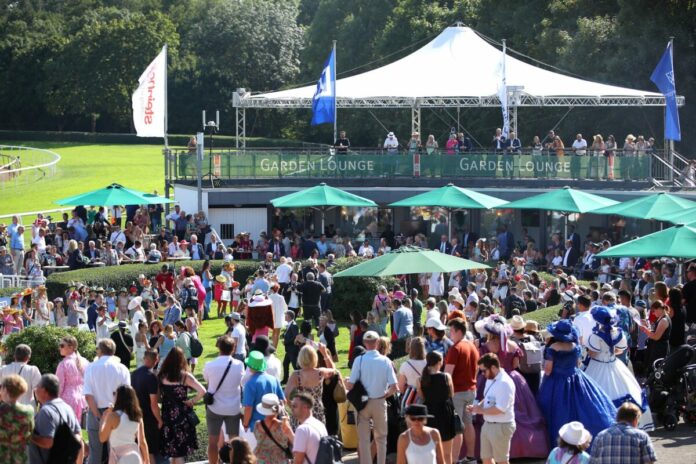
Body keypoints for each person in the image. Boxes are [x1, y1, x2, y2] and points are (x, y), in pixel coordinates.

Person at [473, 315, 549, 458]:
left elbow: (480, 365)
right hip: (513, 379)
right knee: (520, 412)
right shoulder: (513, 345)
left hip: (490, 378)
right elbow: (515, 365)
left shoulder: (486, 346)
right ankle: (523, 447)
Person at [537, 320, 616, 447]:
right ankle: (578, 435)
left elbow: (548, 370)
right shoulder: (575, 346)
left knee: (555, 410)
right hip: (575, 378)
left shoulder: (553, 348)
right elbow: (577, 364)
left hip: (556, 381)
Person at [584, 306, 654, 431]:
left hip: (598, 365)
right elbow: (620, 350)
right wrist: (610, 352)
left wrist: (593, 351)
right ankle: (628, 420)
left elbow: (593, 354)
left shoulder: (595, 336)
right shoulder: (618, 332)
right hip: (614, 364)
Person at [346, 330, 398, 464]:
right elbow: (394, 386)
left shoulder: (359, 360)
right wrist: (385, 394)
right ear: (378, 342)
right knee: (381, 439)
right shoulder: (386, 361)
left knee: (363, 439)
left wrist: (346, 383)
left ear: (364, 343)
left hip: (362, 403)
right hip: (379, 401)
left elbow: (351, 385)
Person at [84, 338, 132, 464]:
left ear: (100, 351)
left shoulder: (91, 368)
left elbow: (88, 395)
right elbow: (127, 395)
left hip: (96, 409)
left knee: (95, 453)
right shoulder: (122, 368)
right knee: (115, 452)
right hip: (117, 411)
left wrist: (98, 416)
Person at [159, 347, 206, 463]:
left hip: (166, 416)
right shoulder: (185, 376)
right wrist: (192, 401)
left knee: (172, 451)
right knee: (180, 452)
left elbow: (159, 396)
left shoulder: (162, 376)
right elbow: (202, 391)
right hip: (182, 417)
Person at [468, 353, 516, 464]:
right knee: (486, 458)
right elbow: (488, 398)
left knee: (502, 461)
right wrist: (478, 406)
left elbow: (500, 409)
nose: (482, 374)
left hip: (501, 426)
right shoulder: (491, 378)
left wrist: (479, 410)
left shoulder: (504, 383)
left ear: (493, 368)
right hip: (488, 424)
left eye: (484, 371)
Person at [204, 336, 245, 464]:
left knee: (213, 441)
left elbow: (208, 381)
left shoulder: (209, 365)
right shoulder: (239, 365)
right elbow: (242, 383)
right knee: (234, 441)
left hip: (215, 408)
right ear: (233, 349)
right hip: (233, 408)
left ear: (219, 348)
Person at [28, 374, 84, 464]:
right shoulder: (67, 408)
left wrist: (28, 435)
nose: (35, 390)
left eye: (37, 386)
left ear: (44, 390)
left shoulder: (46, 411)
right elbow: (78, 439)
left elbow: (48, 442)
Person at [443, 318, 478, 463]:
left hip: (457, 392)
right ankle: (470, 457)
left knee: (456, 426)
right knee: (468, 424)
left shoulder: (455, 349)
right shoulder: (472, 346)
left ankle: (454, 460)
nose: (449, 334)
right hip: (471, 390)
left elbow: (447, 375)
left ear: (458, 331)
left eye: (451, 331)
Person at [284, 344, 337, 429]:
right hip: (318, 413)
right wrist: (325, 354)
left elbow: (286, 396)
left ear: (300, 358)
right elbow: (333, 371)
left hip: (301, 412)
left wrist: (293, 408)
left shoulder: (296, 375)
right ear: (314, 358)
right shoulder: (320, 372)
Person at [418, 351, 456, 464]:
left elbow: (422, 397)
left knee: (431, 452)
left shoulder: (421, 379)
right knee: (447, 453)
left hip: (430, 414)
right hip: (445, 414)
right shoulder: (446, 377)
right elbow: (451, 394)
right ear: (440, 362)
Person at [590, 402, 656, 464]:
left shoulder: (600, 436)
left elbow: (592, 461)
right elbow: (649, 461)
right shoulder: (642, 436)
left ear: (618, 418)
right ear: (636, 419)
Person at [98, 385, 149, 463]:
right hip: (135, 456)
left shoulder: (113, 416)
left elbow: (102, 438)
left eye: (115, 394)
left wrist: (103, 418)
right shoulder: (137, 417)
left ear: (119, 398)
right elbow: (142, 442)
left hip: (118, 457)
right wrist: (147, 460)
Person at [131, 349, 165, 464]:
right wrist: (159, 420)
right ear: (156, 360)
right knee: (149, 452)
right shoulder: (151, 377)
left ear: (144, 358)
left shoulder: (134, 374)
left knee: (139, 451)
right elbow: (154, 404)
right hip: (148, 418)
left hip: (135, 416)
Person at [242, 351, 286, 432]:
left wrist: (245, 425)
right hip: (273, 425)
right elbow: (283, 400)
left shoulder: (250, 384)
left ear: (250, 367)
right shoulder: (274, 379)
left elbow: (248, 408)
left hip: (256, 427)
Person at [0, 375, 34, 464]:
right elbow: (30, 434)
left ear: (5, 389)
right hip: (20, 458)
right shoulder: (28, 411)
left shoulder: (2, 410)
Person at [253, 393, 294, 464]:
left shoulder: (257, 425)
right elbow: (294, 442)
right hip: (280, 460)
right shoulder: (283, 425)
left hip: (261, 460)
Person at [56, 335, 89, 420]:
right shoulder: (85, 361)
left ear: (71, 347)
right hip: (84, 400)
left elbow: (59, 386)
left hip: (67, 400)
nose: (60, 348)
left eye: (62, 346)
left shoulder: (63, 364)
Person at [291, 392, 328, 464]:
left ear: (305, 408)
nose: (291, 408)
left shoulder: (302, 429)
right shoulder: (320, 424)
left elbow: (298, 461)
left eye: (294, 406)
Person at [641, 300, 672, 373]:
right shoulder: (662, 317)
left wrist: (645, 330)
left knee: (657, 368)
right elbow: (655, 332)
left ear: (659, 309)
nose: (653, 313)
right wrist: (647, 326)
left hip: (660, 349)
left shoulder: (664, 320)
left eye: (654, 311)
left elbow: (656, 337)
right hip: (658, 347)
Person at [283, 310, 300, 384]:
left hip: (292, 350)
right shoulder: (290, 324)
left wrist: (286, 342)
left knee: (295, 366)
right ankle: (285, 380)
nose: (285, 316)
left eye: (286, 315)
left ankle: (300, 380)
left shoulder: (294, 325)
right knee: (285, 363)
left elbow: (295, 337)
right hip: (289, 350)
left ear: (289, 316)